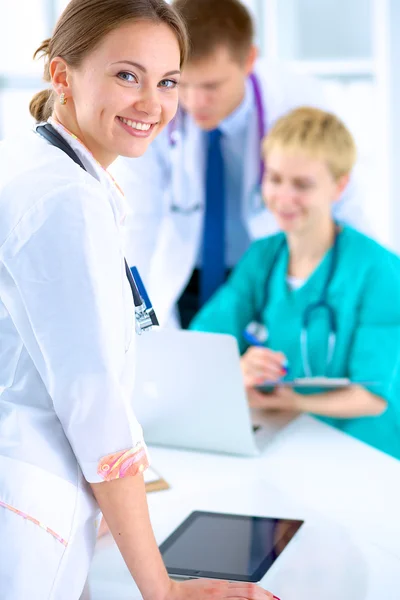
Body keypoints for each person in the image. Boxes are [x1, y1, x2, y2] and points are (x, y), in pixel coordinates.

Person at [0, 1, 277, 599]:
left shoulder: (50, 171)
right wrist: (164, 589)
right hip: (26, 516)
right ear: (62, 76)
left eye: (167, 81)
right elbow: (95, 410)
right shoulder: (64, 200)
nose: (153, 104)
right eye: (128, 75)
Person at [111, 0, 370, 329]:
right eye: (182, 84)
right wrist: (136, 318)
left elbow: (345, 205)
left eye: (211, 86)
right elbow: (138, 222)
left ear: (248, 60)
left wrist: (368, 290)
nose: (193, 102)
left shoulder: (298, 101)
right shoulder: (154, 109)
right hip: (190, 276)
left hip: (271, 272)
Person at [190, 106, 400, 461]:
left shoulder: (380, 270)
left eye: (302, 185)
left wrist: (294, 400)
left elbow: (373, 396)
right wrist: (238, 368)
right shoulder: (263, 257)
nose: (283, 198)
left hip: (367, 454)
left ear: (340, 185)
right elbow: (204, 342)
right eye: (274, 179)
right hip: (285, 442)